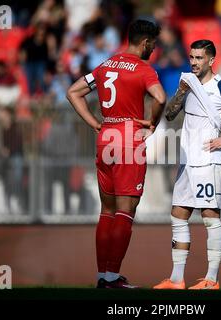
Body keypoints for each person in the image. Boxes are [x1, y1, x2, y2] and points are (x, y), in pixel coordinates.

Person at [153, 40, 221, 290]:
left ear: (211, 60)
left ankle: (211, 279)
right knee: (178, 215)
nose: (193, 62)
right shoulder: (187, 83)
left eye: (199, 58)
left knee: (210, 217)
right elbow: (169, 115)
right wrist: (180, 90)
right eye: (191, 57)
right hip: (187, 162)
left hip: (208, 162)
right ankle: (177, 279)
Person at [66, 19, 166, 289]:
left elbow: (73, 92)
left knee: (107, 210)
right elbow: (160, 98)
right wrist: (152, 123)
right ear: (145, 43)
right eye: (153, 45)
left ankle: (103, 275)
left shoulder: (106, 64)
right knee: (126, 210)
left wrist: (93, 122)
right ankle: (112, 277)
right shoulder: (144, 69)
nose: (153, 50)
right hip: (128, 137)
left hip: (105, 135)